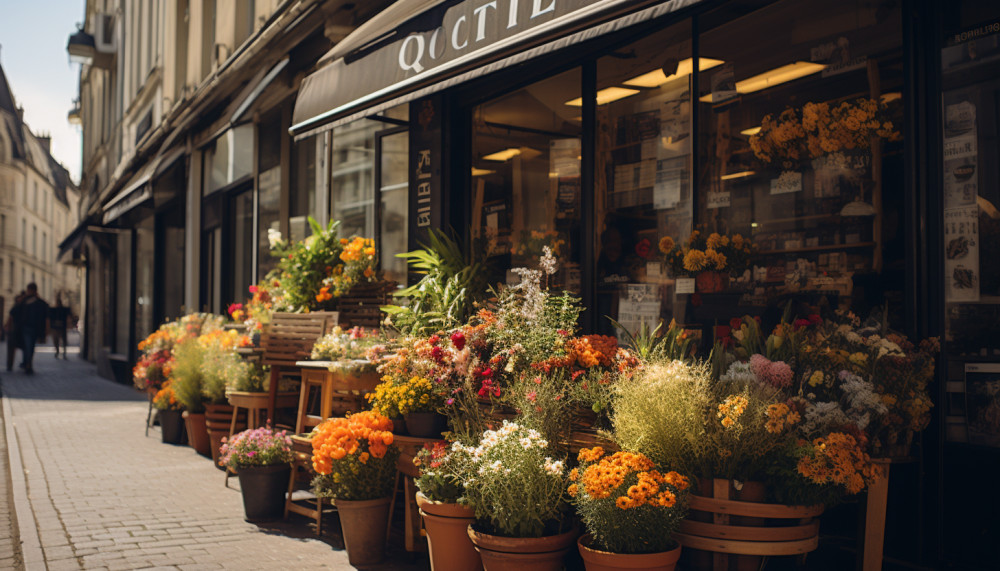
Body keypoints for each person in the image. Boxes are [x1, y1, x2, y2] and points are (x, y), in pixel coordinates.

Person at [20, 283, 49, 375]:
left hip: (30, 328)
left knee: (29, 346)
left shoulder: (28, 301)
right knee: (28, 346)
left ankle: (28, 363)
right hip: (29, 328)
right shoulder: (28, 301)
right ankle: (27, 363)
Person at [5, 292, 25, 372]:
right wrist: (8, 328)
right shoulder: (17, 307)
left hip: (20, 330)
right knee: (11, 349)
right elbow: (10, 318)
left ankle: (25, 363)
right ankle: (10, 365)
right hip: (15, 330)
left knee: (24, 348)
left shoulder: (23, 306)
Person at [49, 295, 72, 359]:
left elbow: (68, 317)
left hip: (62, 327)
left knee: (63, 340)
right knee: (56, 340)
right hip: (55, 327)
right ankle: (58, 351)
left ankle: (63, 352)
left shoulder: (64, 310)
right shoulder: (53, 310)